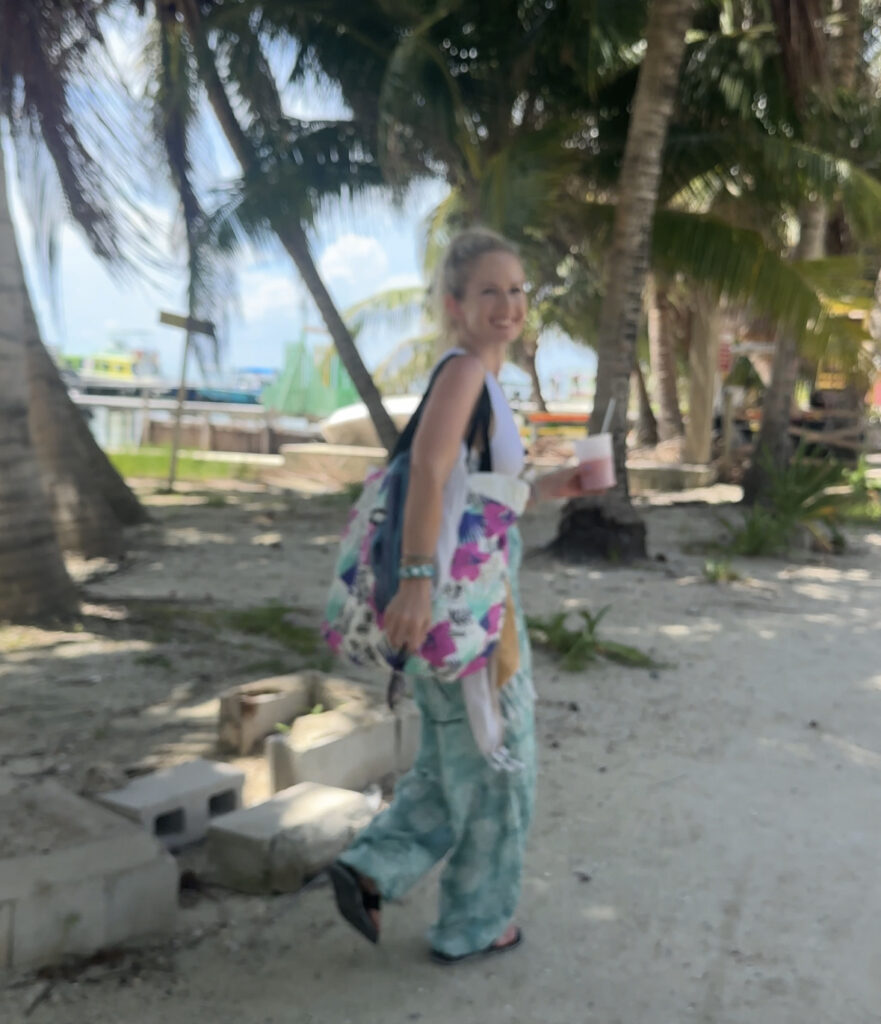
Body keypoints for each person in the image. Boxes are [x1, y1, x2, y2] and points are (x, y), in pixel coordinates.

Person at [328, 227, 609, 964]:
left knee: (452, 756)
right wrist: (416, 582)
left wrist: (549, 487)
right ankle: (475, 922)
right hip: (459, 608)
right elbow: (426, 469)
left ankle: (371, 867)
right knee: (498, 761)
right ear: (455, 304)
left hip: (471, 598)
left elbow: (473, 497)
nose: (507, 304)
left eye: (517, 290)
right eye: (489, 290)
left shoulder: (482, 382)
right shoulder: (461, 375)